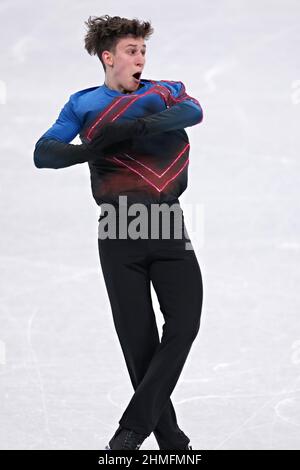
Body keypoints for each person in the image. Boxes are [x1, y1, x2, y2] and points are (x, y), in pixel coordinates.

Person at [33, 14, 204, 451]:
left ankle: (131, 427)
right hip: (118, 227)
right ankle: (170, 442)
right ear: (108, 58)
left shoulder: (163, 92)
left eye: (143, 50)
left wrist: (138, 126)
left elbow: (194, 111)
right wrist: (89, 149)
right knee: (138, 341)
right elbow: (44, 152)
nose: (140, 58)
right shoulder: (83, 103)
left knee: (183, 325)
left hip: (167, 222)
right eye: (131, 51)